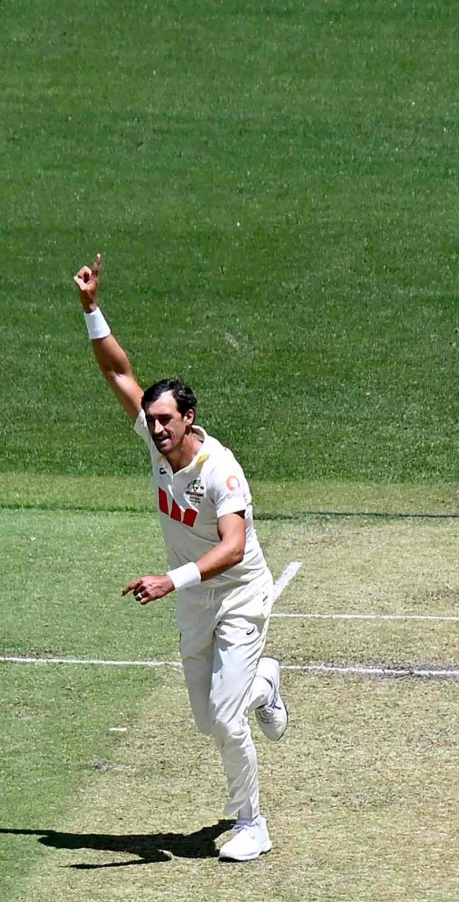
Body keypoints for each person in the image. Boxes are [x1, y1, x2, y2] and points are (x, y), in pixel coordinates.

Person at [72, 255, 289, 863]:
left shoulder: (221, 469)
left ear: (189, 419)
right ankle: (264, 683)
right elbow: (118, 372)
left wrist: (171, 579)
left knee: (224, 719)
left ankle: (252, 822)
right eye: (151, 418)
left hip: (241, 592)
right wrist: (91, 308)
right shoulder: (152, 436)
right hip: (195, 598)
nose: (155, 427)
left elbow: (234, 546)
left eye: (165, 419)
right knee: (207, 720)